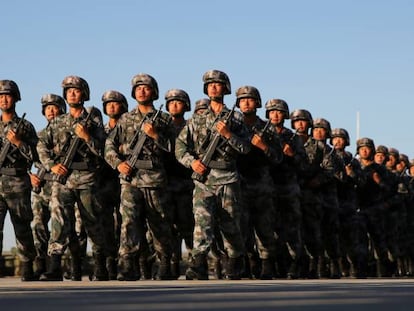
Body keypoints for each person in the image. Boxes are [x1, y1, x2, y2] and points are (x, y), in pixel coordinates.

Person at [175, 69, 250, 280]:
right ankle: (198, 264)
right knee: (202, 222)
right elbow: (180, 146)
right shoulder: (197, 119)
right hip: (204, 180)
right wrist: (192, 162)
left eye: (217, 84)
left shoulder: (235, 118)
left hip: (228, 178)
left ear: (225, 88)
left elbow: (246, 148)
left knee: (231, 224)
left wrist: (228, 135)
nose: (213, 87)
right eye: (210, 85)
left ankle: (235, 263)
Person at [37, 75, 109, 281]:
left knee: (93, 221)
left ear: (84, 94)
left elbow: (104, 150)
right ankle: (55, 266)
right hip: (63, 179)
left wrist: (87, 137)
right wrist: (51, 165)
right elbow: (41, 145)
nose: (72, 94)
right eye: (69, 91)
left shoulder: (94, 122)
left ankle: (100, 266)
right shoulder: (58, 122)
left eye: (76, 91)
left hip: (87, 177)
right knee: (59, 220)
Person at [105, 73, 175, 281]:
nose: (142, 91)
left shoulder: (164, 119)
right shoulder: (126, 118)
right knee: (129, 222)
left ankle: (163, 262)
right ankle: (127, 265)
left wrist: (155, 135)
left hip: (155, 179)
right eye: (138, 88)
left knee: (159, 222)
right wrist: (118, 163)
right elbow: (109, 145)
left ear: (154, 91)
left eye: (146, 87)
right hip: (130, 179)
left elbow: (175, 149)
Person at [235, 86, 283, 279]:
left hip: (262, 183)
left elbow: (278, 157)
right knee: (241, 226)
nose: (246, 102)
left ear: (257, 103)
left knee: (264, 227)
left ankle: (266, 264)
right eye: (243, 99)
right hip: (238, 182)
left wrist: (263, 146)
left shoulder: (268, 128)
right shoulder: (232, 125)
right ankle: (249, 261)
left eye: (250, 99)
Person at [0, 79, 38, 281]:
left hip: (17, 181)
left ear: (15, 98)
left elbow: (36, 156)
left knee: (22, 225)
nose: (4, 99)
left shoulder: (25, 126)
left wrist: (18, 143)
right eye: (1, 96)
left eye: (8, 95)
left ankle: (26, 265)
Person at [265, 99, 306, 279]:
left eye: (279, 111)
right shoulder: (263, 133)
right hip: (267, 185)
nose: (275, 114)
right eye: (272, 111)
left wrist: (292, 155)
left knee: (291, 228)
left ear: (285, 115)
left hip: (288, 187)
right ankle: (272, 265)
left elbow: (303, 165)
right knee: (269, 227)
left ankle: (294, 264)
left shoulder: (293, 137)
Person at [30, 93, 66, 278]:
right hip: (41, 185)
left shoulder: (69, 134)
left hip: (60, 184)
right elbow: (24, 160)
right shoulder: (38, 136)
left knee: (59, 224)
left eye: (55, 107)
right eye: (47, 108)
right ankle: (40, 263)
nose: (51, 111)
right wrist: (30, 176)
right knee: (37, 224)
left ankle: (55, 265)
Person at [96, 90, 128, 280]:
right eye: (108, 104)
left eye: (115, 103)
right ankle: (106, 265)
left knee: (125, 225)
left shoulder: (129, 128)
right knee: (105, 225)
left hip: (127, 181)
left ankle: (127, 264)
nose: (111, 106)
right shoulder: (100, 131)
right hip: (104, 182)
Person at [163, 89, 194, 279]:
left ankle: (194, 264)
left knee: (188, 225)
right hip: (165, 183)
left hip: (186, 183)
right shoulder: (161, 126)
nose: (174, 105)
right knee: (167, 226)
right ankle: (171, 264)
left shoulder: (192, 126)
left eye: (179, 102)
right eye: (171, 102)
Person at [330, 128, 366, 278]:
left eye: (341, 138)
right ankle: (339, 266)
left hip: (348, 203)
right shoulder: (328, 156)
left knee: (351, 237)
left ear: (346, 141)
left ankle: (354, 266)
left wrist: (351, 173)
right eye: (335, 138)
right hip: (332, 200)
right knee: (333, 236)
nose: (338, 141)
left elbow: (362, 182)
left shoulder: (353, 161)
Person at [355, 137, 391, 277]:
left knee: (379, 241)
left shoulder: (381, 169)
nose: (364, 150)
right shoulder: (355, 166)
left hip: (376, 209)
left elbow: (389, 190)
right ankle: (362, 270)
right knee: (361, 241)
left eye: (367, 147)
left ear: (372, 150)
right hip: (359, 208)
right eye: (361, 148)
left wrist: (379, 181)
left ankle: (383, 270)